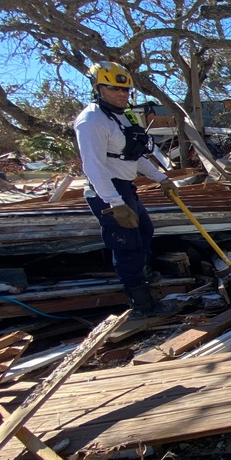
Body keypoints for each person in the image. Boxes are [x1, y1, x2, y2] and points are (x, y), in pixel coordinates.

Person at [74, 61, 177, 318]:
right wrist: (114, 203)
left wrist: (160, 177)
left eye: (125, 90)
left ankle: (145, 277)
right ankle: (142, 306)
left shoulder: (123, 117)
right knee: (127, 246)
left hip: (126, 188)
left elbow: (134, 155)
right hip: (107, 191)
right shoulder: (91, 121)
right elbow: (93, 166)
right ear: (97, 88)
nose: (121, 94)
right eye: (113, 89)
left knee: (144, 231)